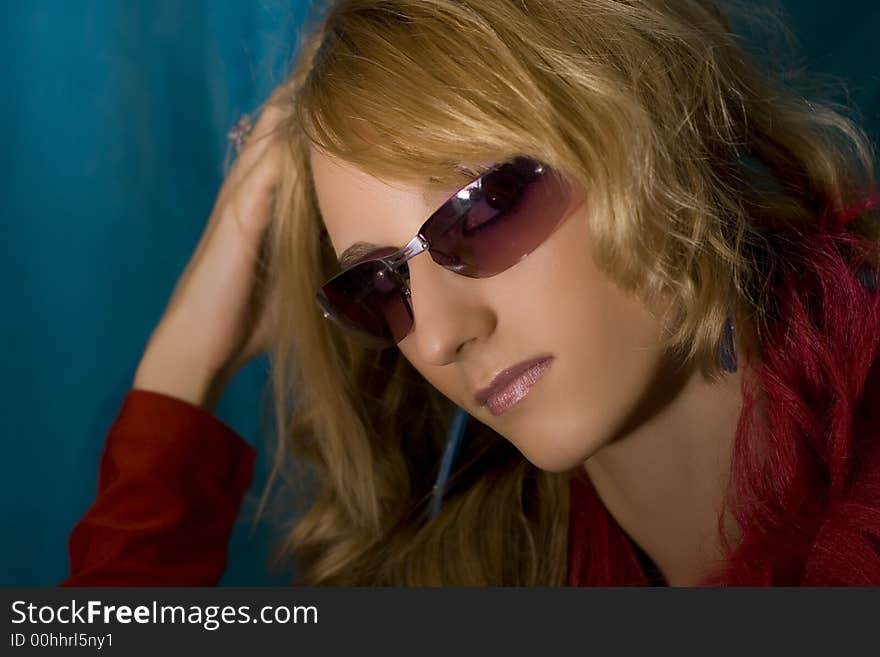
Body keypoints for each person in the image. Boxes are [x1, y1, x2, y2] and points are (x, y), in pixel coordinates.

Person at [62, 0, 880, 587]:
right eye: (377, 282)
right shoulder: (482, 569)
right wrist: (184, 360)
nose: (439, 336)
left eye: (481, 209)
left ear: (647, 115)